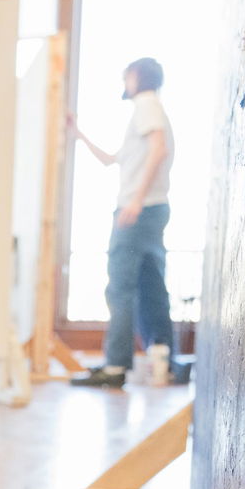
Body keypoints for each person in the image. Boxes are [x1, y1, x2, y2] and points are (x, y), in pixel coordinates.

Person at [66, 56, 176, 388]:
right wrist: (79, 134)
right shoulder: (150, 111)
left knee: (120, 288)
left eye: (127, 76)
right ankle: (163, 356)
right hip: (151, 209)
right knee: (151, 285)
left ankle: (116, 366)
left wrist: (135, 201)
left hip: (138, 210)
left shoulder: (146, 105)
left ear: (138, 77)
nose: (124, 82)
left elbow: (158, 151)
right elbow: (111, 160)